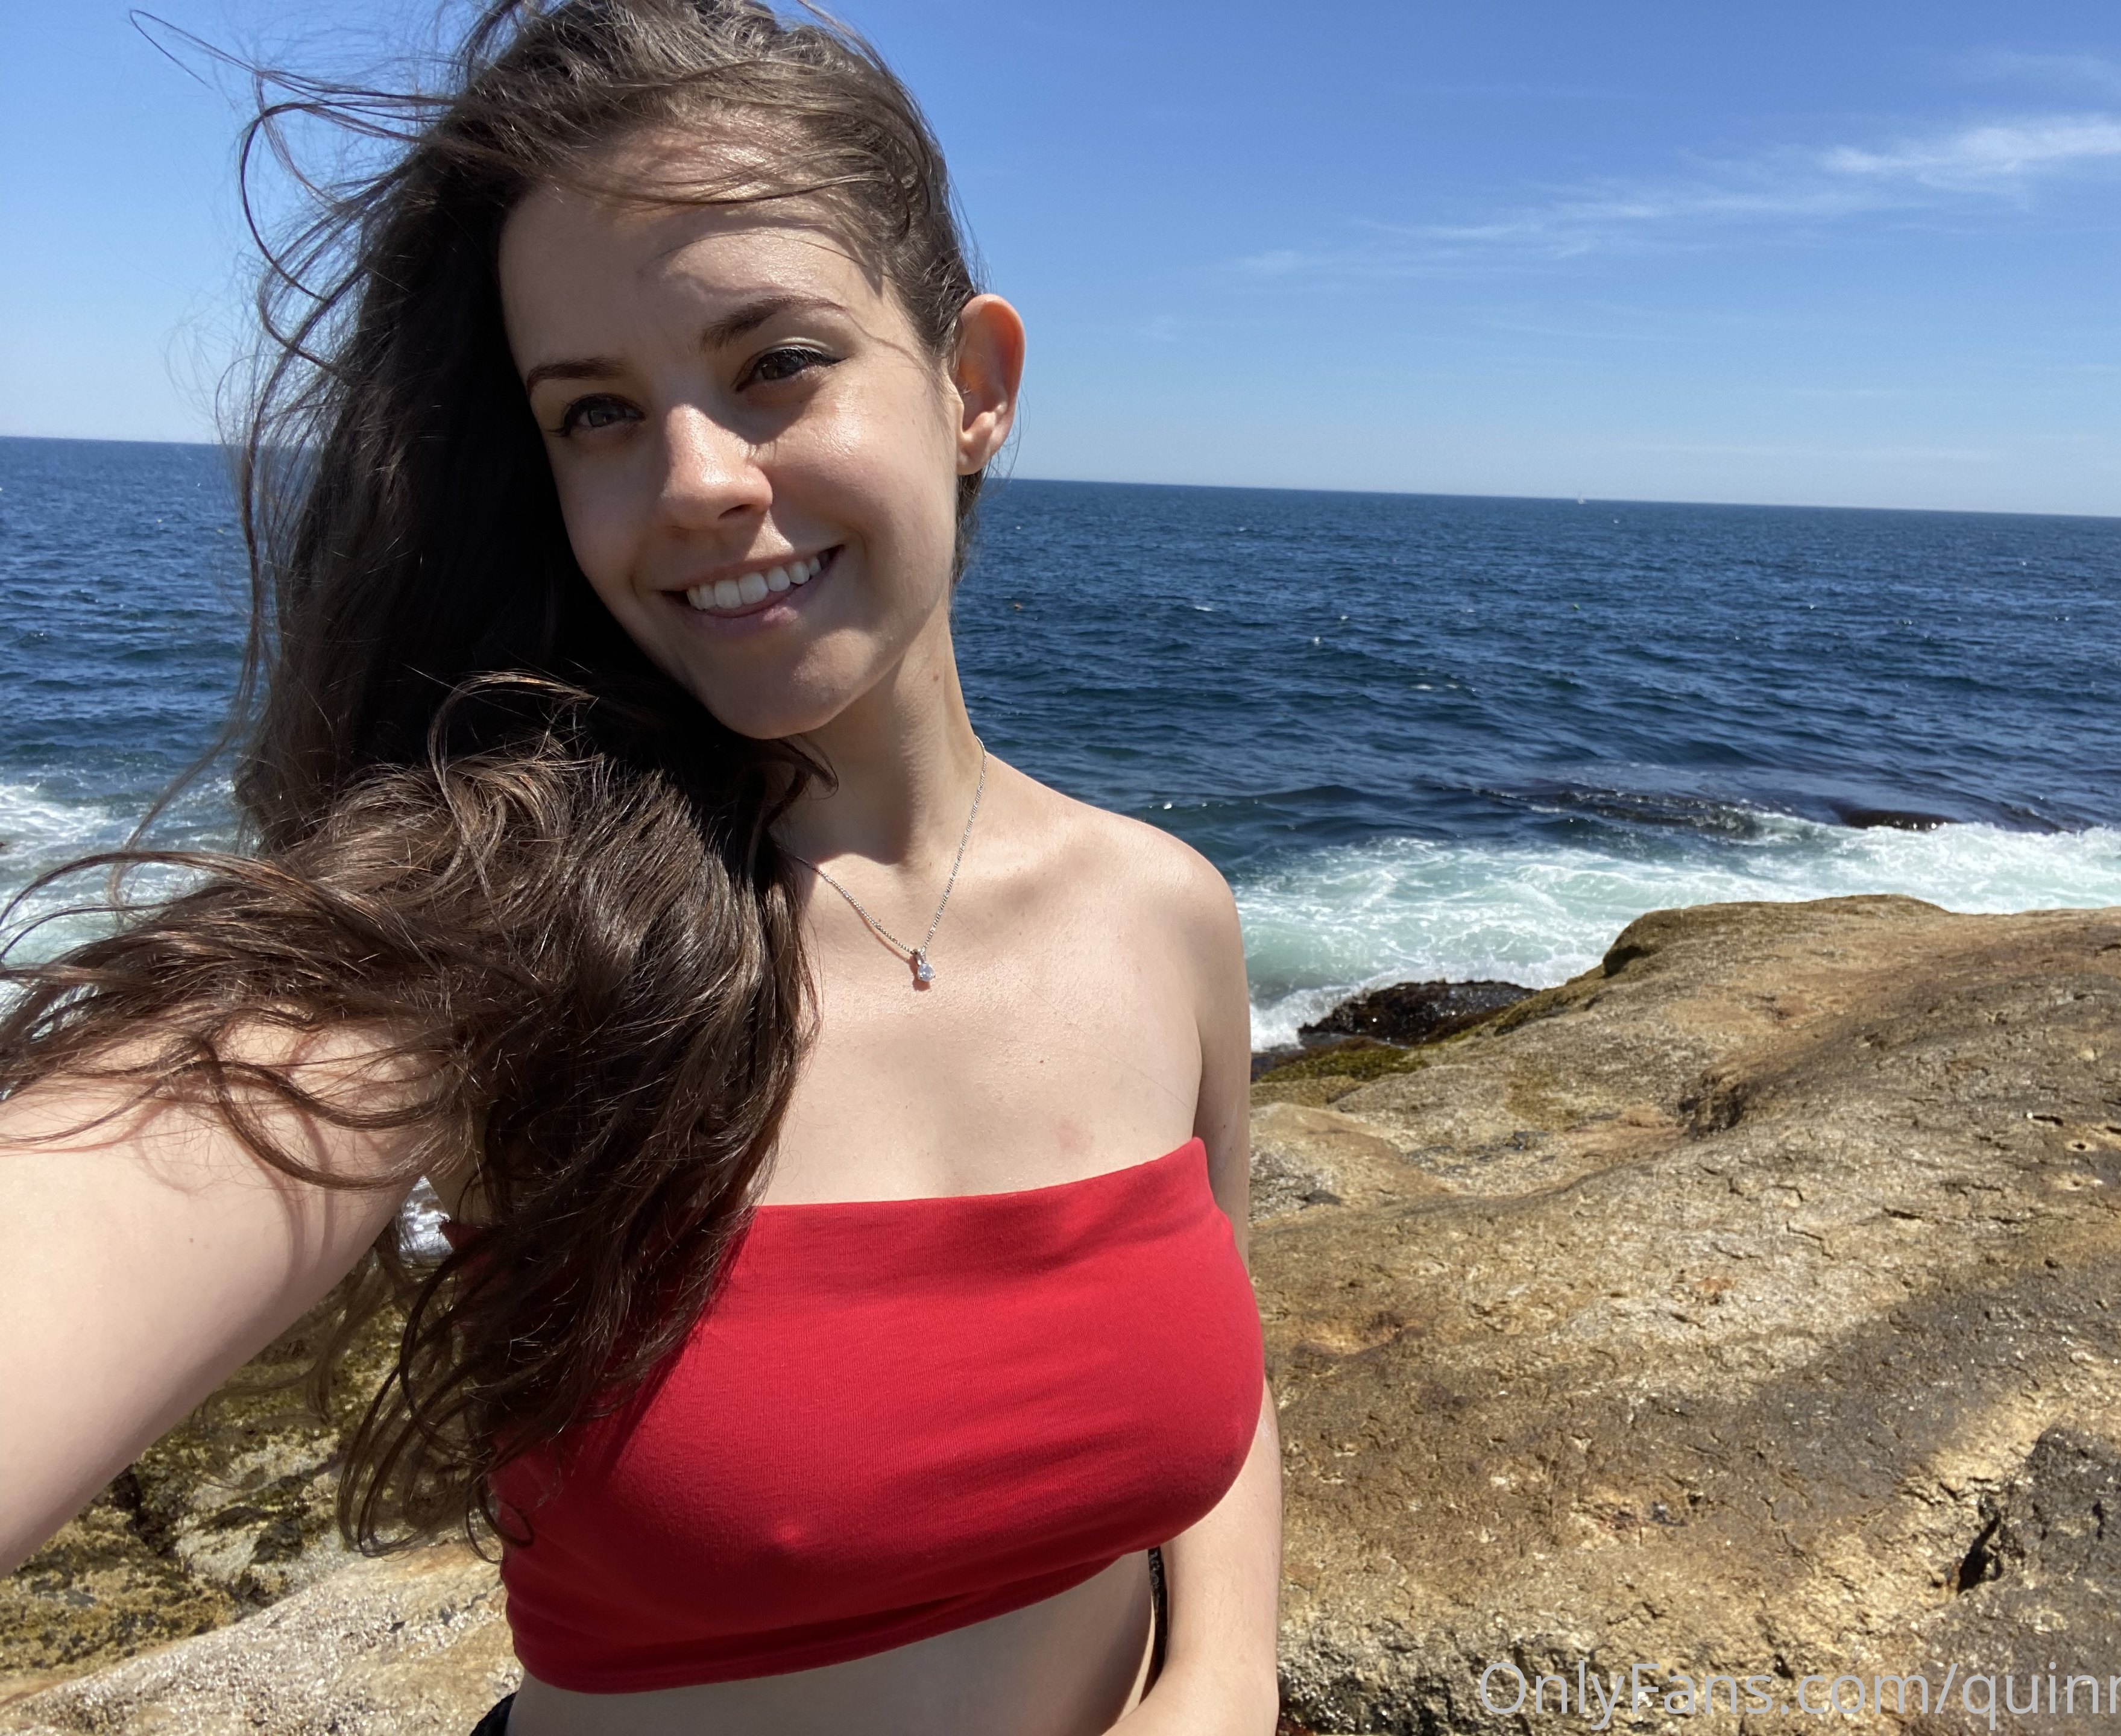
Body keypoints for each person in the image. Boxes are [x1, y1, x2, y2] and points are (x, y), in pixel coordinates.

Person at [0, 4, 1281, 1732]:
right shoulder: (498, 940)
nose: (692, 480)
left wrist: (1225, 1674)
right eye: (596, 411)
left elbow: (1219, 1353)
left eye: (776, 362)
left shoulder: (1166, 914)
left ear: (972, 386)